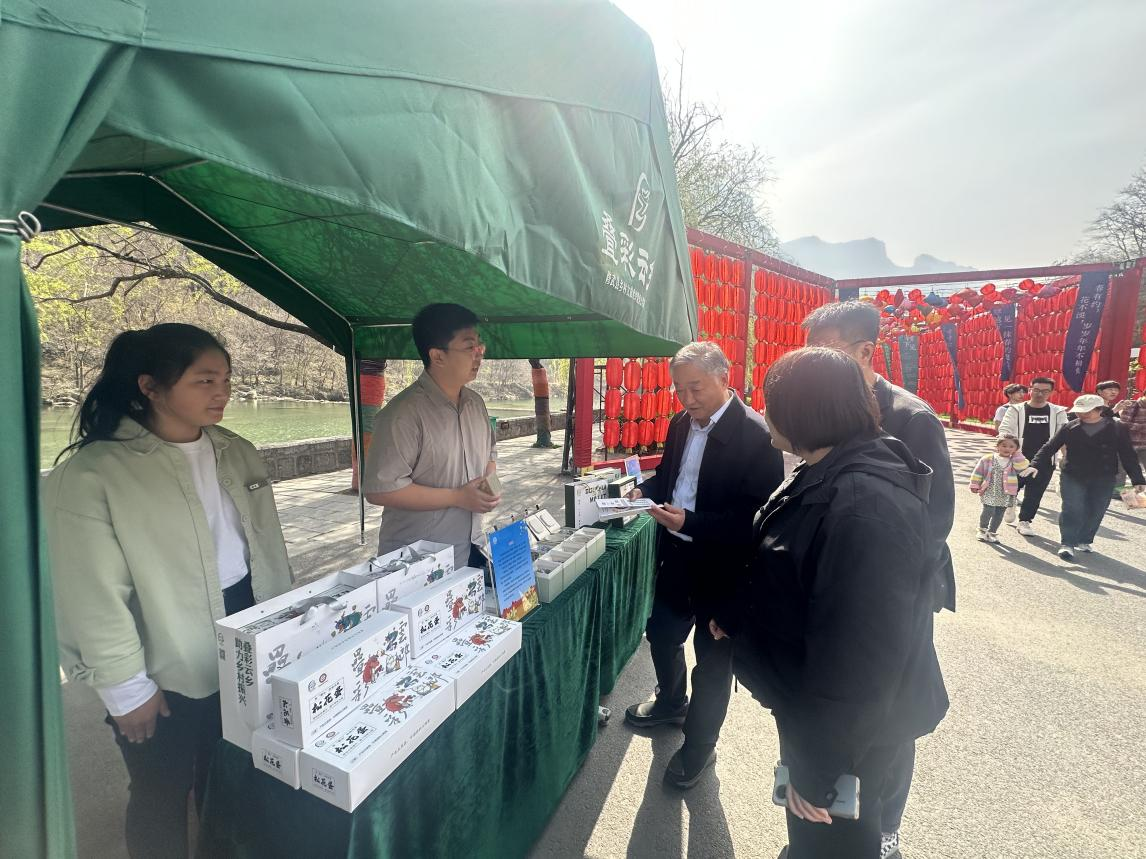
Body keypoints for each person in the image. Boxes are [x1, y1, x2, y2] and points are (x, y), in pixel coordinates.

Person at [44, 324, 293, 859]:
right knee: (160, 788)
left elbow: (264, 552)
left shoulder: (237, 452)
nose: (222, 392)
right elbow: (89, 596)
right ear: (150, 387)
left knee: (229, 767)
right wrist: (125, 688)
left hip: (246, 627)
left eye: (226, 379)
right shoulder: (91, 475)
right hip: (162, 648)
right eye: (205, 380)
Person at [710, 347, 948, 859]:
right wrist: (740, 617)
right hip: (816, 707)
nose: (762, 411)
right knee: (814, 836)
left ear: (802, 411)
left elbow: (858, 660)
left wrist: (816, 771)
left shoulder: (863, 507)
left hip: (848, 729)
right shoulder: (830, 463)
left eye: (771, 402)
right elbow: (792, 558)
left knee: (830, 835)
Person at [802, 300, 954, 859]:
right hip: (845, 587)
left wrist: (876, 583)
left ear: (866, 351)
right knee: (843, 711)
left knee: (891, 717)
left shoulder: (912, 419)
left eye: (826, 351)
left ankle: (887, 825)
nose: (814, 363)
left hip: (895, 597)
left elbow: (935, 521)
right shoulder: (832, 408)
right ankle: (830, 821)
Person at [623, 341, 785, 789]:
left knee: (712, 664)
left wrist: (691, 521)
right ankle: (671, 702)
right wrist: (643, 490)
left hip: (725, 568)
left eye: (695, 387)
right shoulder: (681, 423)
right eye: (679, 389)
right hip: (677, 555)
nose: (687, 398)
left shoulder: (756, 435)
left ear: (724, 378)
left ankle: (699, 746)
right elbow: (670, 476)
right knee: (661, 634)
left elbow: (757, 520)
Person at [363, 303, 499, 570]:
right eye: (469, 347)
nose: (479, 355)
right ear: (437, 356)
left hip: (471, 546)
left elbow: (490, 456)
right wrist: (458, 497)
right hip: (417, 563)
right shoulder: (403, 414)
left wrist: (488, 489)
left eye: (480, 346)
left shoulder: (476, 404)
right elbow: (381, 490)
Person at [1028, 394, 1146, 560]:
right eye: (1079, 411)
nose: (1082, 414)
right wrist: (1034, 464)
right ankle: (1067, 543)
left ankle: (1084, 539)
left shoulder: (1117, 427)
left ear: (1100, 410)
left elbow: (1127, 454)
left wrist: (1138, 479)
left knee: (1096, 509)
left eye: (1087, 411)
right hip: (1073, 474)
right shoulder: (1070, 427)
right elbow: (1050, 447)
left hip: (1104, 476)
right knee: (1072, 508)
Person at [997, 376, 1069, 536]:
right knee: (1010, 488)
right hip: (1017, 458)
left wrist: (1065, 457)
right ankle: (1010, 504)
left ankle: (1025, 521)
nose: (1040, 394)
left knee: (1035, 493)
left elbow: (1064, 436)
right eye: (1036, 390)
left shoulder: (1058, 412)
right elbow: (1005, 430)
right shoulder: (1016, 410)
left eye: (1045, 391)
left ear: (1051, 392)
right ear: (1030, 390)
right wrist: (1007, 451)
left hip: (1045, 460)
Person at [969, 435, 1032, 543]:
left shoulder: (1015, 461)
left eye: (1011, 447)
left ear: (1016, 449)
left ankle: (992, 532)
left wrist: (1017, 453)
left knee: (999, 513)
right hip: (990, 490)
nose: (1007, 448)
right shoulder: (987, 458)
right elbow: (978, 472)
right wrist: (975, 484)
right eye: (1004, 445)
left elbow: (1023, 466)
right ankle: (982, 530)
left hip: (1005, 492)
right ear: (997, 446)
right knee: (988, 510)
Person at [1113, 390, 1146, 488]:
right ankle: (1117, 492)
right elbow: (1124, 424)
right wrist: (1143, 427)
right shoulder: (1132, 405)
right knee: (1121, 472)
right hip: (1128, 445)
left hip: (1144, 446)